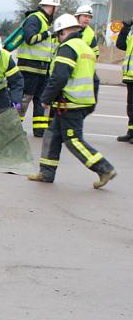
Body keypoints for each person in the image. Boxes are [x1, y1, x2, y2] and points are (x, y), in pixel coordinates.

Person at [28, 14, 117, 189]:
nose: (57, 39)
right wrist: (91, 103)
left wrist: (45, 99)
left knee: (73, 140)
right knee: (51, 136)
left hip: (71, 104)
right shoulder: (85, 48)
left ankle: (104, 168)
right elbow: (95, 80)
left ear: (64, 31)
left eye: (58, 35)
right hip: (79, 102)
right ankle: (46, 172)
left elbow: (59, 77)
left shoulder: (68, 48)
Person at [17, 0, 60, 137]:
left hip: (42, 68)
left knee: (40, 100)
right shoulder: (34, 18)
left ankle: (39, 129)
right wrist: (48, 33)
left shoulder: (45, 21)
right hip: (29, 67)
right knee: (24, 98)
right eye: (55, 7)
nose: (56, 10)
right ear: (50, 7)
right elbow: (30, 39)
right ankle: (14, 127)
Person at [115, 18, 133, 142]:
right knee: (131, 106)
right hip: (130, 75)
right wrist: (125, 28)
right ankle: (131, 132)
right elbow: (121, 45)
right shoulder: (131, 31)